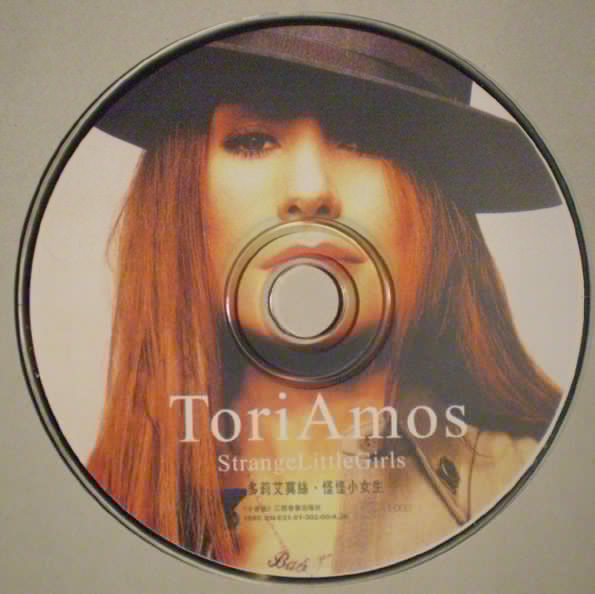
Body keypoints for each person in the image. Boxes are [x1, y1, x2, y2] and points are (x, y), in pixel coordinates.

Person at [87, 25, 562, 576]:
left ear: (435, 203)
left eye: (361, 141)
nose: (310, 190)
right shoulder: (94, 512)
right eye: (254, 141)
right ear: (181, 200)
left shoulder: (548, 486)